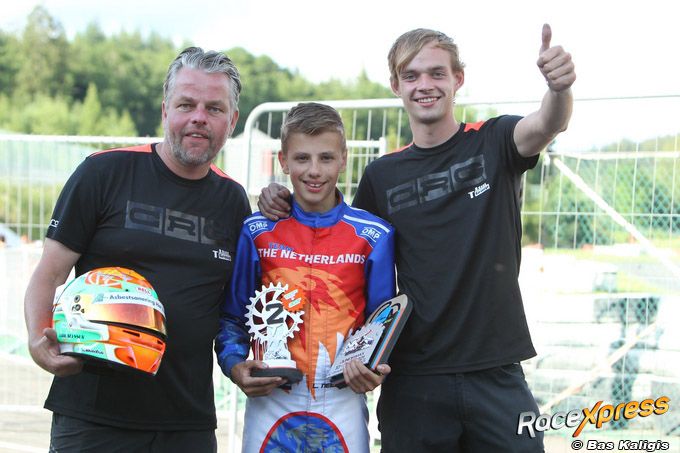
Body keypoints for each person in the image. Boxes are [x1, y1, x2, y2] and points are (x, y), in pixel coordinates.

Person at [257, 25, 576, 452]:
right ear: (396, 85)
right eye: (411, 75)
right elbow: (340, 244)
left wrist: (559, 88)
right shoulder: (381, 175)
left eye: (436, 73)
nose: (425, 85)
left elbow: (548, 123)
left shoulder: (494, 141)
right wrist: (280, 196)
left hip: (495, 370)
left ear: (458, 79)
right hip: (413, 379)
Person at [24, 47, 251, 452]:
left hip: (187, 421)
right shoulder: (103, 171)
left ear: (232, 121)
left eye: (214, 108)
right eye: (186, 104)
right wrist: (38, 338)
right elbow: (50, 272)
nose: (199, 117)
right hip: (93, 416)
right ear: (165, 110)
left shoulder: (233, 200)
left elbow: (237, 305)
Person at [215, 102, 396, 452]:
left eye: (326, 158)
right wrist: (235, 364)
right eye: (302, 158)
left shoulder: (374, 235)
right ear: (283, 161)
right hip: (272, 396)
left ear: (343, 159)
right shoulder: (257, 230)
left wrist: (374, 368)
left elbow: (382, 327)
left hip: (343, 399)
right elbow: (232, 317)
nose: (314, 171)